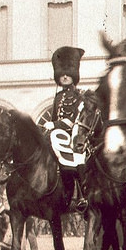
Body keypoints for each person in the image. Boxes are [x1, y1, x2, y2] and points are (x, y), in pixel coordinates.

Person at [42, 46, 88, 210]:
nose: (65, 76)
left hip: (74, 132)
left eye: (68, 74)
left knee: (76, 159)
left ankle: (83, 193)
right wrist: (51, 126)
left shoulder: (79, 95)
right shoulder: (58, 97)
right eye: (62, 74)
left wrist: (55, 125)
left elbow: (75, 119)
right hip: (58, 132)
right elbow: (55, 116)